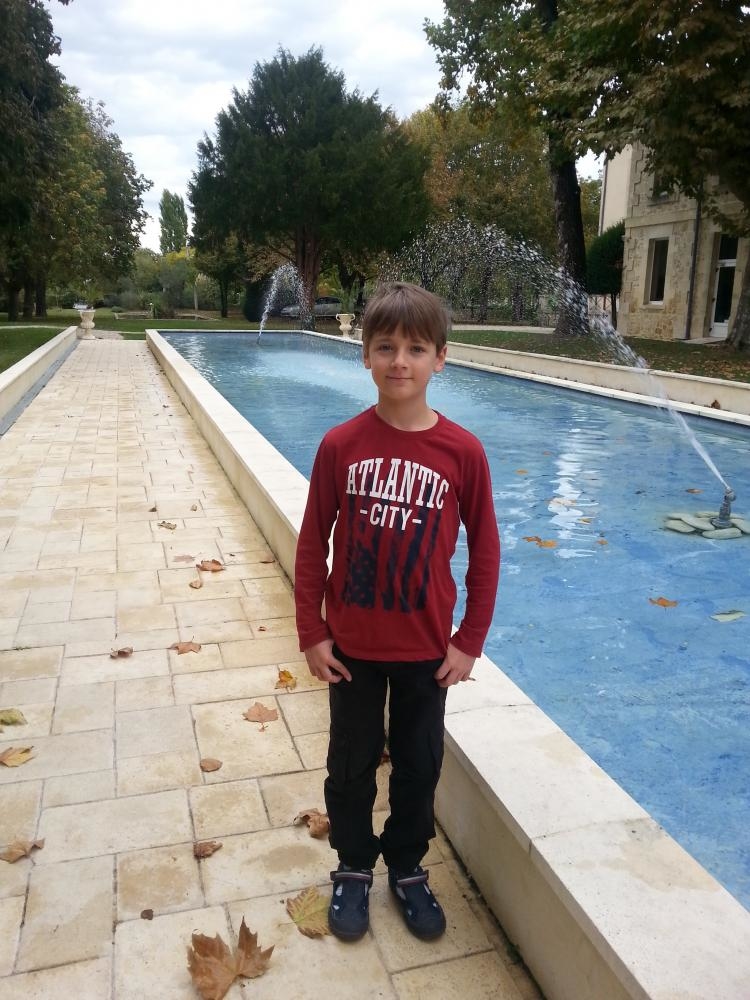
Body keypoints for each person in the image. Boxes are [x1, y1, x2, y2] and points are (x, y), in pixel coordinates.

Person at [294, 281, 500, 942]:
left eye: (415, 348)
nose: (400, 361)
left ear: (441, 357)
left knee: (419, 766)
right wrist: (312, 631)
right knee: (350, 766)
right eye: (385, 347)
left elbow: (486, 550)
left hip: (426, 652)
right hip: (352, 647)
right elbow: (312, 543)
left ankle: (407, 866)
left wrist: (469, 640)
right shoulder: (340, 445)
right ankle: (354, 864)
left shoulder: (462, 452)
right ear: (365, 356)